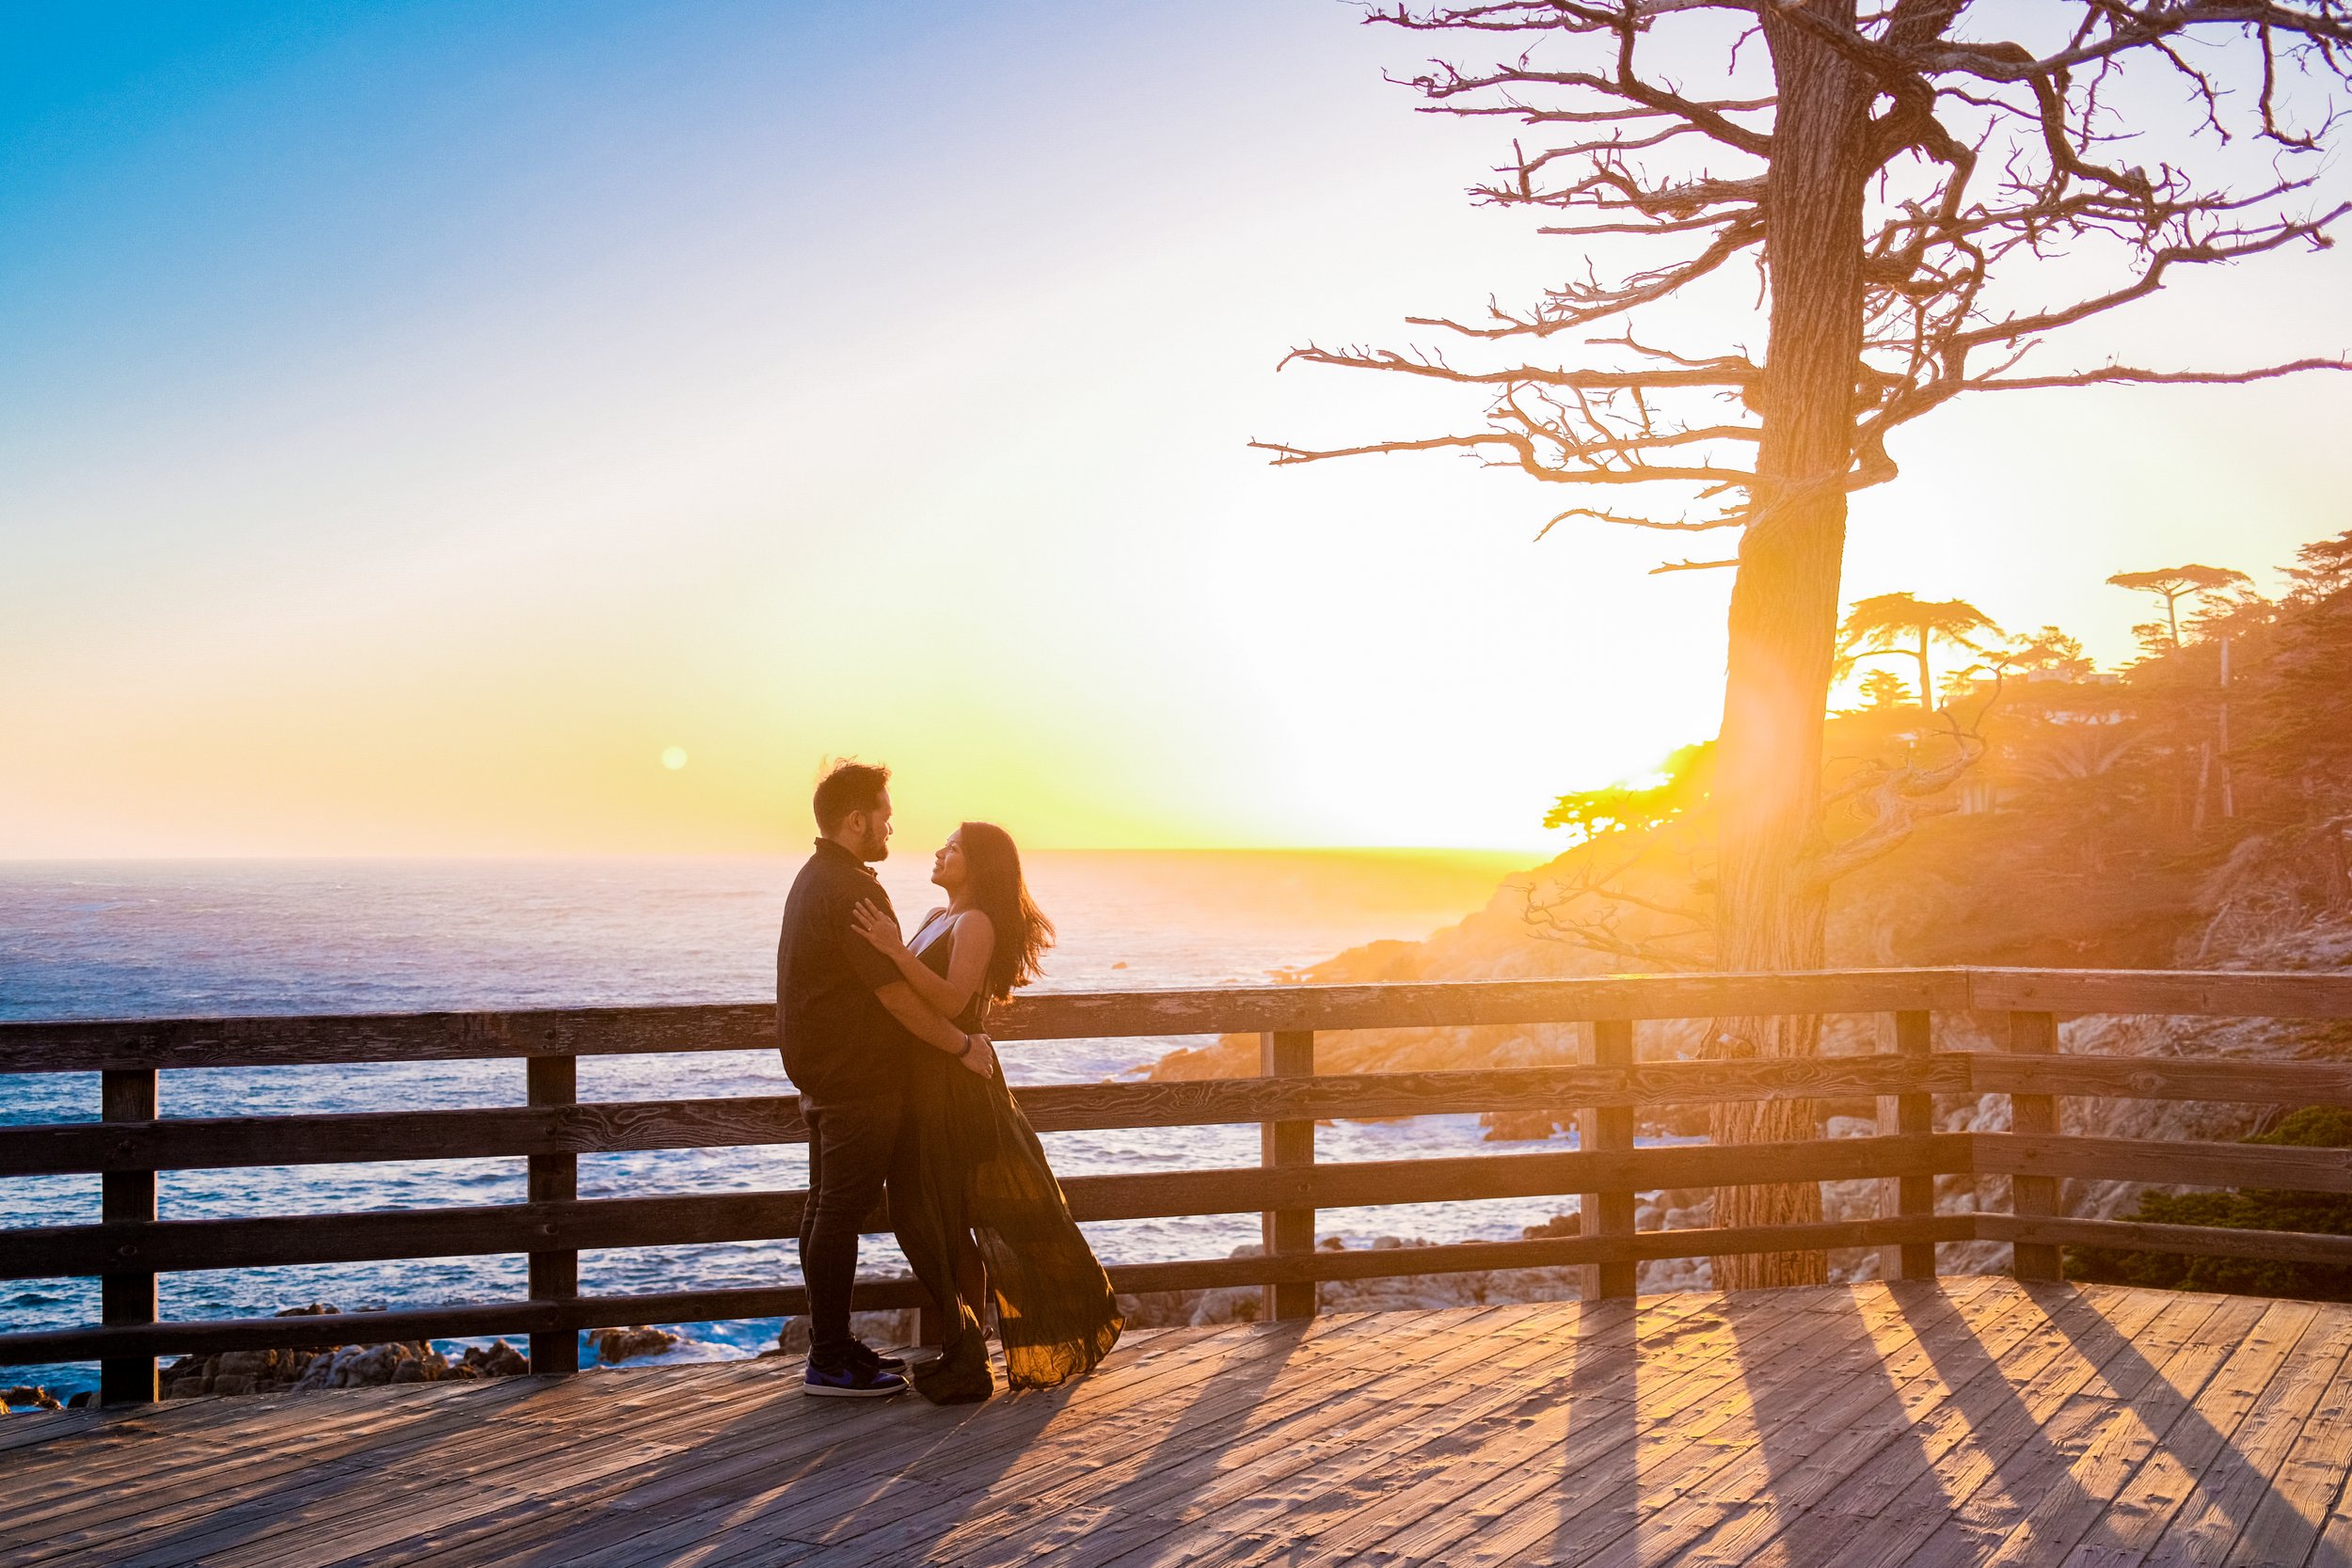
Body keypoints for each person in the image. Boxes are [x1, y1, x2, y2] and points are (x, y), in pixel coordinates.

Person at [850, 820, 1122, 1402]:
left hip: (957, 1081)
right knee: (922, 1218)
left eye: (952, 848)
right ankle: (964, 1347)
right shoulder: (934, 917)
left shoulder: (975, 923)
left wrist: (893, 950)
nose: (939, 852)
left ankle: (972, 1357)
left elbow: (953, 1001)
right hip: (927, 1081)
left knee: (962, 1217)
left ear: (977, 865)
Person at [775, 761, 997, 1399]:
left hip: (824, 1078)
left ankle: (833, 1347)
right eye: (883, 813)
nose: (891, 825)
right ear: (855, 820)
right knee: (837, 1214)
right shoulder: (851, 891)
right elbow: (897, 998)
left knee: (825, 1209)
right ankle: (830, 1357)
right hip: (857, 1082)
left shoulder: (814, 878)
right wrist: (961, 1044)